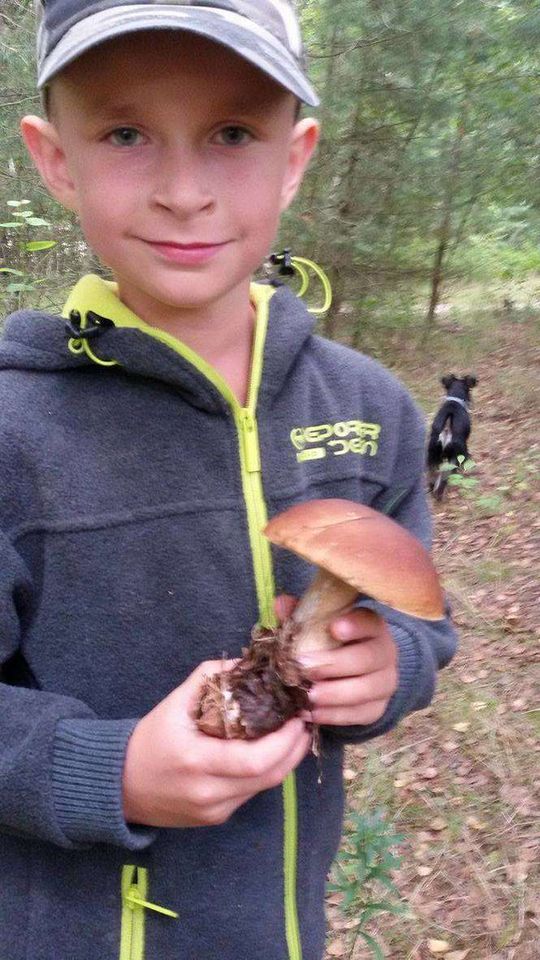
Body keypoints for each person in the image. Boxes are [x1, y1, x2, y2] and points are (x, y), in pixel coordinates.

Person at [0, 3, 457, 959]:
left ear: (294, 158)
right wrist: (106, 770)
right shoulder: (14, 425)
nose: (183, 193)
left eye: (234, 134)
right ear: (55, 159)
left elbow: (419, 614)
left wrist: (393, 667)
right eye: (126, 135)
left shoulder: (370, 405)